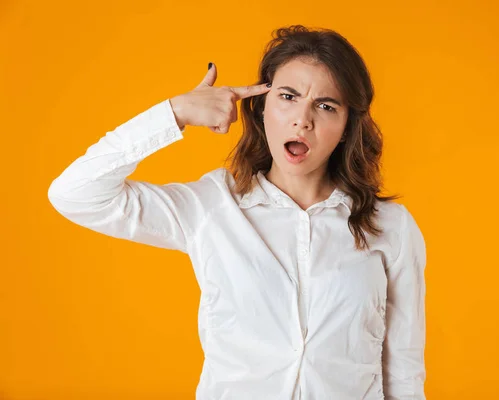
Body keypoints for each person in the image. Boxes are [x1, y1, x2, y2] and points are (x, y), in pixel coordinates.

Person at [48, 25, 427, 400]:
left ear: (346, 127)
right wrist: (174, 114)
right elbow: (76, 194)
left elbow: (404, 373)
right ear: (261, 108)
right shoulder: (212, 208)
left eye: (326, 106)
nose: (303, 120)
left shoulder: (390, 227)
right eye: (288, 96)